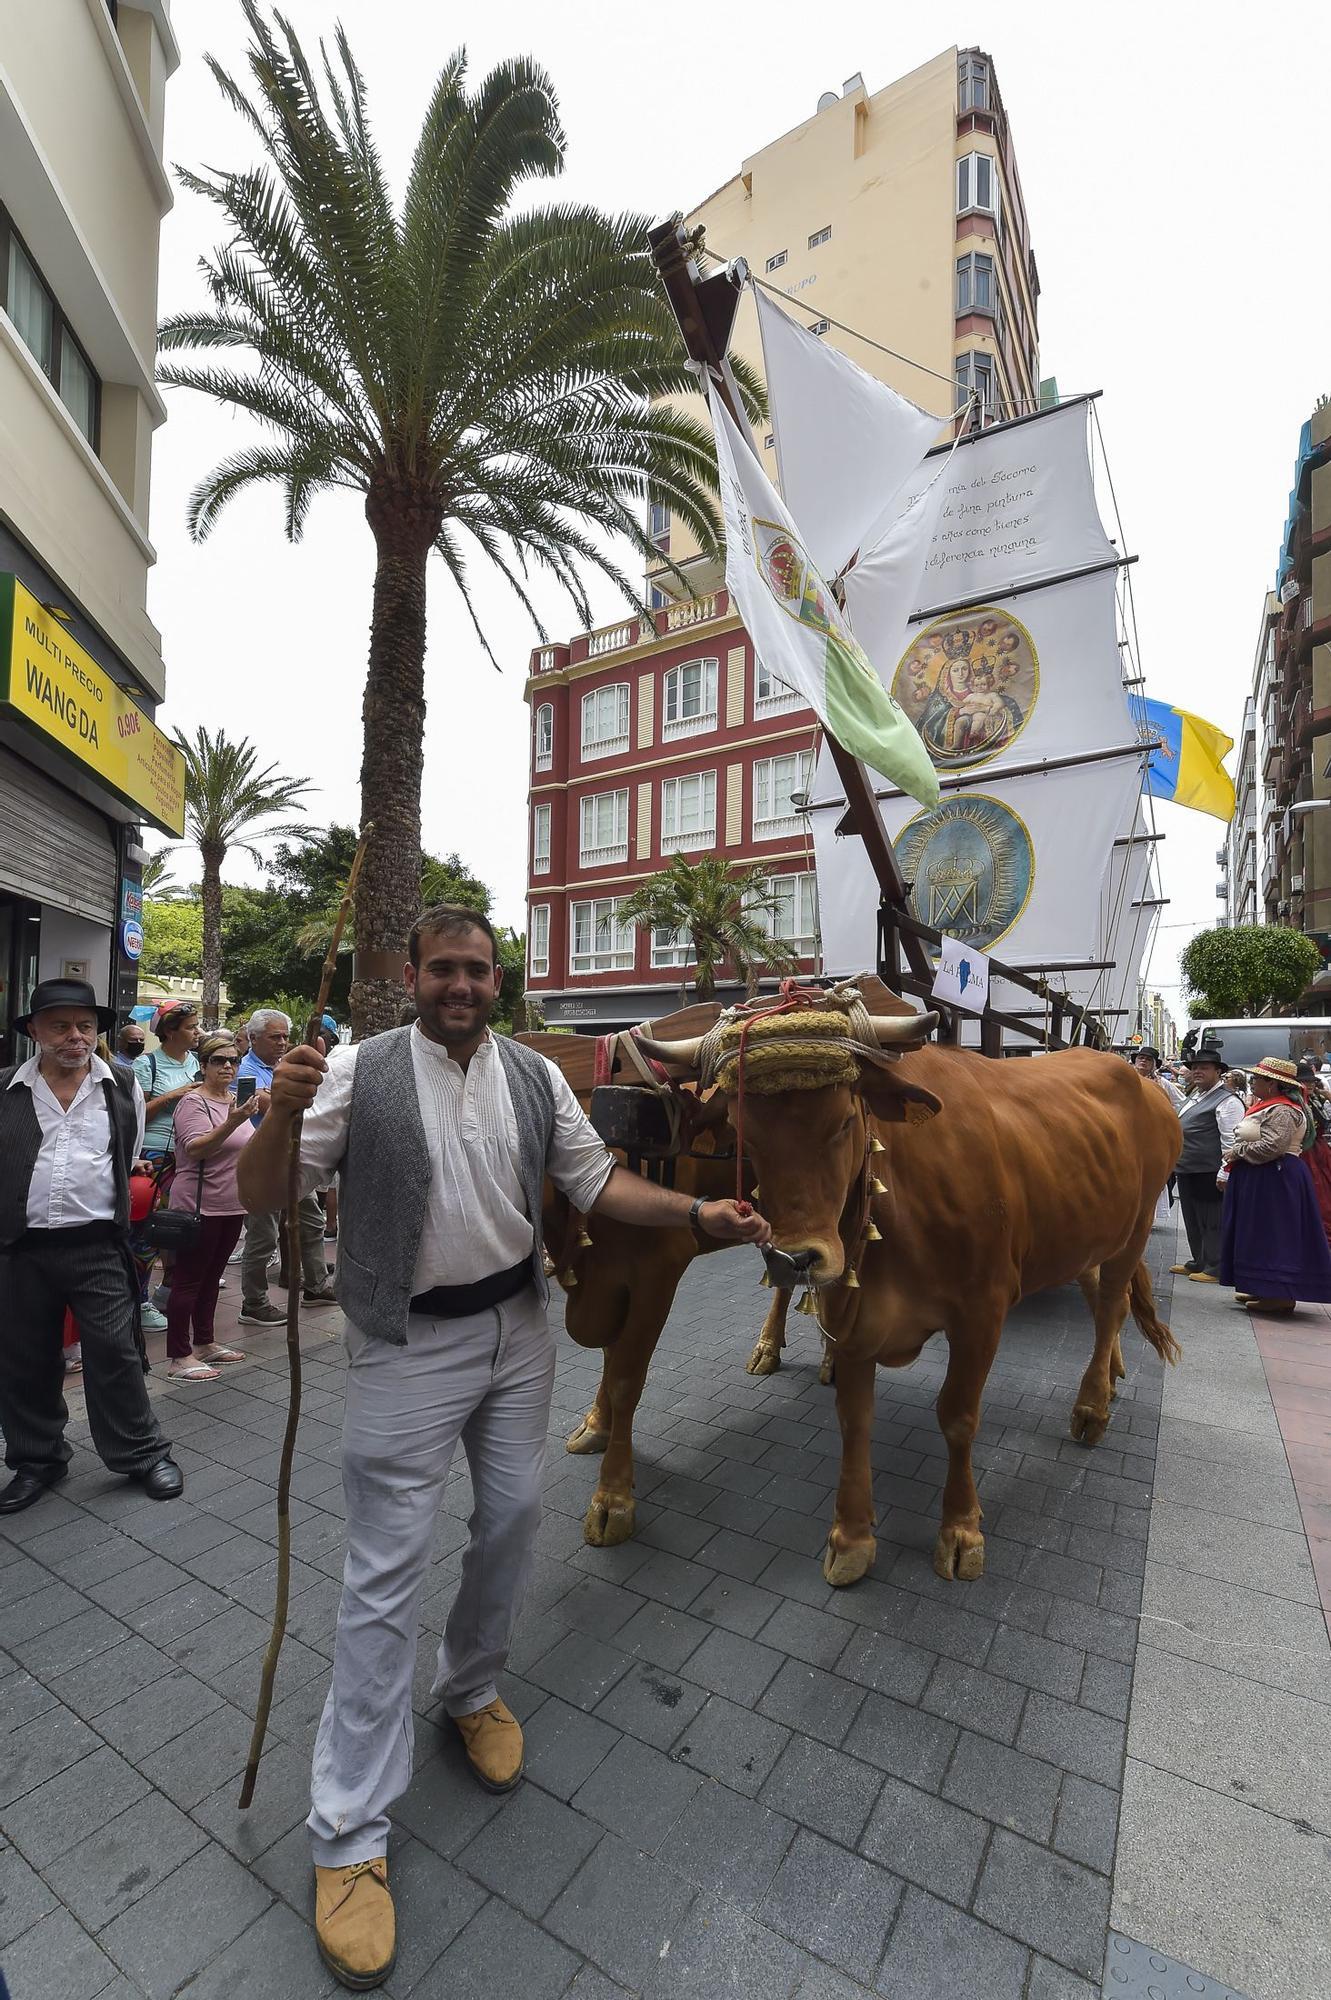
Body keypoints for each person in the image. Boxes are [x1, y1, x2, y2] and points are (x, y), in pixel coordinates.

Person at [238, 903, 771, 1991]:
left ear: (499, 978)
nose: (461, 985)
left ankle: (471, 1687)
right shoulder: (352, 1069)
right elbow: (258, 1197)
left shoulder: (532, 1074)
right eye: (442, 968)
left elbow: (594, 1182)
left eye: (477, 969)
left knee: (518, 1515)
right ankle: (344, 1832)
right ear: (410, 974)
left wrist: (694, 1214)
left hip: (516, 1329)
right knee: (384, 1574)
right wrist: (278, 1119)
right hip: (403, 1345)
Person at [0, 979, 183, 1513]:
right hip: (20, 1249)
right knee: (24, 1359)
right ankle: (37, 1459)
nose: (75, 1037)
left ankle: (141, 1453)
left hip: (97, 1246)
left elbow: (122, 1157)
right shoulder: (6, 1086)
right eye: (60, 1025)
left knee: (116, 1352)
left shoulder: (121, 1085)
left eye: (84, 1026)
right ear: (34, 1030)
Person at [164, 1033, 271, 1380]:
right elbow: (196, 1149)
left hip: (231, 1203)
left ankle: (205, 1342)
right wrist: (234, 1121)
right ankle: (179, 1355)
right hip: (198, 1205)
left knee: (212, 1278)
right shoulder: (195, 1103)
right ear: (203, 1064)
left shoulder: (235, 1101)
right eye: (218, 1060)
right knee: (188, 1280)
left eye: (233, 1061)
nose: (228, 1066)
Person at [238, 1009, 335, 1325]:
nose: (282, 1043)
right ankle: (254, 1302)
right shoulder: (244, 1071)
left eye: (285, 1036)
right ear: (253, 1038)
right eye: (274, 1037)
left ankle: (316, 1286)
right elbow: (269, 1105)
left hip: (294, 1160)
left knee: (312, 1221)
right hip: (263, 1166)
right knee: (263, 1236)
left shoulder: (283, 1067)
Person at [1220, 1055, 1331, 1314]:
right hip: (1264, 1177)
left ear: (1272, 1084)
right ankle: (1262, 1286)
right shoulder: (1270, 1105)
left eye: (1257, 1078)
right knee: (1260, 1232)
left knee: (1274, 1233)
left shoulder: (1282, 1109)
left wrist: (1237, 1152)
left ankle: (1279, 1293)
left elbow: (1273, 1146)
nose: (1252, 1082)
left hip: (1274, 1178)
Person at [132, 1003, 202, 1333]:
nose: (197, 1032)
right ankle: (139, 1300)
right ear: (170, 1031)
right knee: (150, 1230)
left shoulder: (196, 1063)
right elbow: (137, 1113)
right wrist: (176, 1095)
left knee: (181, 1229)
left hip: (188, 1155)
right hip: (154, 1155)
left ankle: (167, 1292)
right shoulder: (146, 1064)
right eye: (190, 1027)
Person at [1169, 1047, 1244, 1284]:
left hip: (1209, 1168)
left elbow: (1232, 1139)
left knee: (1212, 1219)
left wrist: (1225, 1170)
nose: (1198, 1071)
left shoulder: (1227, 1100)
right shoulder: (1195, 1094)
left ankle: (1216, 1266)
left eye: (1204, 1068)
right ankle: (1199, 1260)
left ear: (1218, 1072)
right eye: (1195, 1067)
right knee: (1192, 1218)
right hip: (1188, 1166)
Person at [1133, 1046, 1184, 1110]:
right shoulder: (1127, 1079)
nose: (1143, 1060)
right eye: (1141, 1058)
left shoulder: (1162, 1083)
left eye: (1148, 1059)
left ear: (1154, 1064)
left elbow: (1183, 1102)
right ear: (1135, 1061)